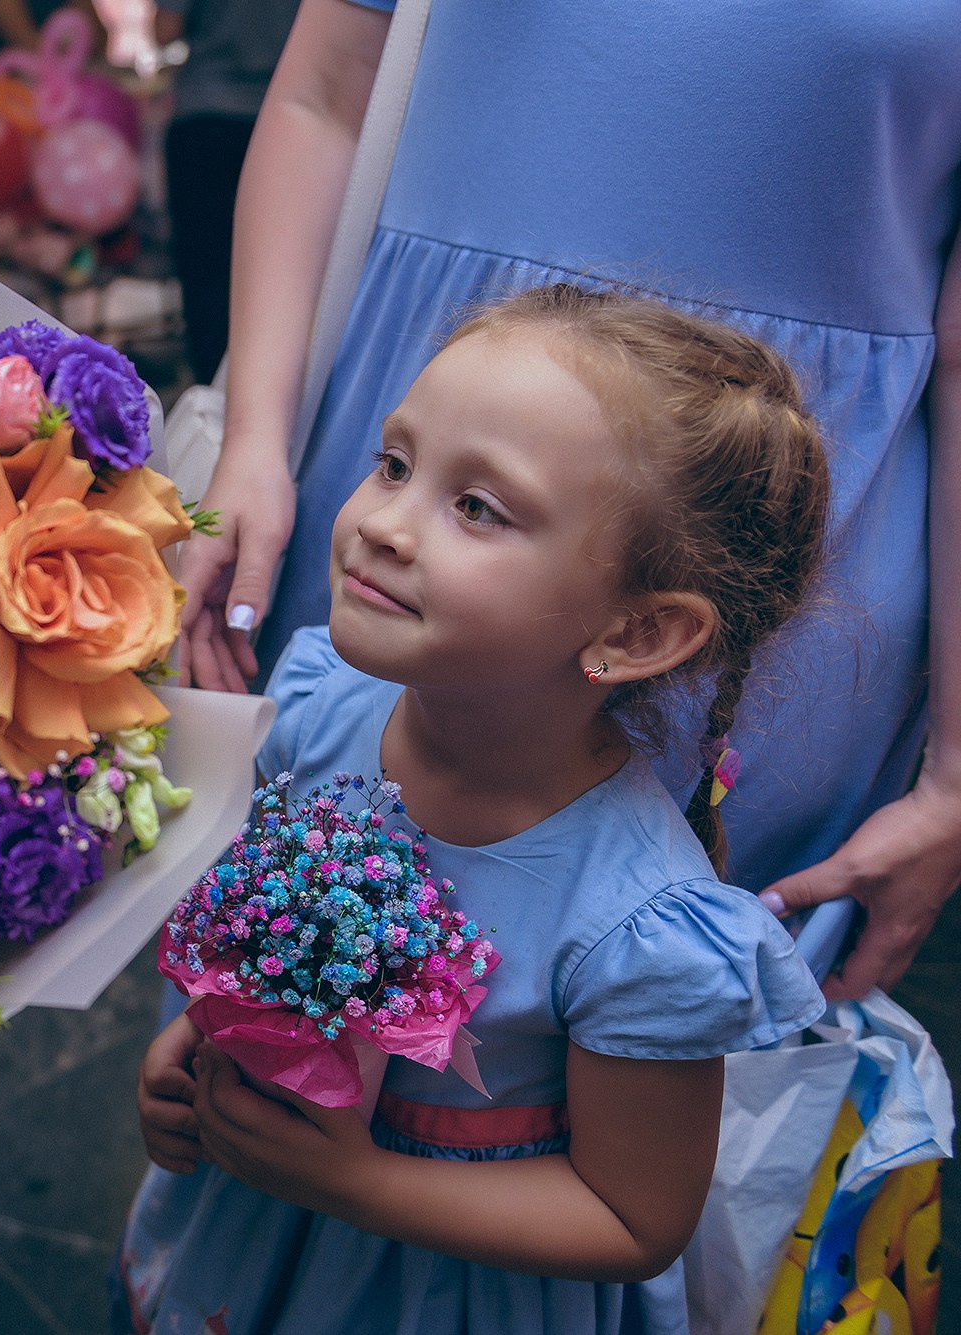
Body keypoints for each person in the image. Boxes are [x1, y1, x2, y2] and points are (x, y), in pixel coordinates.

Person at [171, 0, 961, 1002]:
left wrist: (955, 779)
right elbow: (325, 97)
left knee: (641, 1002)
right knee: (271, 945)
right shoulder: (371, 560)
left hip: (744, 534)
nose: (384, 522)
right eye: (391, 475)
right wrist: (255, 442)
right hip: (422, 393)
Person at [122, 284, 831, 1334]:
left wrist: (358, 1184)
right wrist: (203, 1040)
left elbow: (633, 1219)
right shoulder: (320, 708)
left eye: (476, 508)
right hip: (246, 1231)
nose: (381, 524)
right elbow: (267, 932)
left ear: (634, 633)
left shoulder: (638, 927)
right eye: (393, 464)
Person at [150, 0, 302, 385]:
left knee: (208, 276)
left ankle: (212, 399)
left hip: (207, 113)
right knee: (284, 278)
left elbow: (165, 29)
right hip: (289, 118)